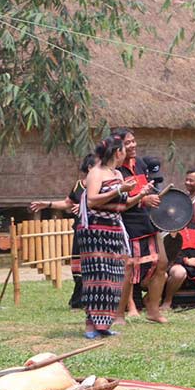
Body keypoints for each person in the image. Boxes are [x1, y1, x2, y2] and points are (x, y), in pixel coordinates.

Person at [77, 136, 151, 338]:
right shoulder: (96, 173)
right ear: (117, 152)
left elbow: (124, 205)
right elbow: (92, 201)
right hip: (95, 231)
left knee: (114, 277)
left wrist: (140, 194)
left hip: (114, 229)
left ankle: (104, 324)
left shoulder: (117, 173)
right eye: (124, 150)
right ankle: (91, 325)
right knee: (97, 277)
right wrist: (119, 189)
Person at [113, 128, 168, 324]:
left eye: (133, 141)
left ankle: (153, 310)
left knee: (161, 263)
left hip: (148, 221)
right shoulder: (114, 170)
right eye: (127, 143)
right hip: (128, 224)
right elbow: (117, 198)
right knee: (127, 268)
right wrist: (143, 200)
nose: (132, 145)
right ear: (118, 147)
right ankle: (119, 314)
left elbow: (148, 189)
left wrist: (153, 198)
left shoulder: (141, 164)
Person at [30, 153, 96, 309]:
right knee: (78, 268)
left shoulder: (102, 185)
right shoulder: (78, 185)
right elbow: (67, 203)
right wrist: (48, 204)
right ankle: (79, 299)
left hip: (97, 230)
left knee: (94, 266)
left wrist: (85, 207)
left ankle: (92, 299)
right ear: (90, 167)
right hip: (81, 230)